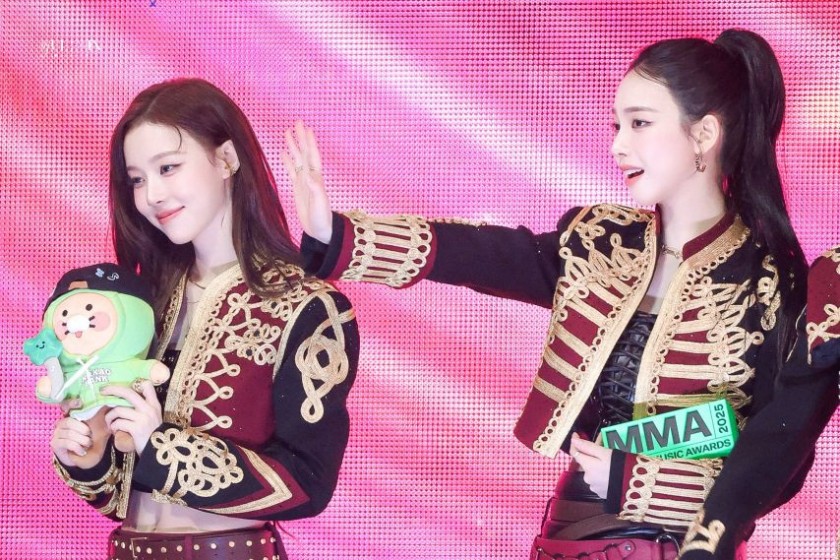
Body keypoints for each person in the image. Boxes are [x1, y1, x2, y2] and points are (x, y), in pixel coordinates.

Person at [284, 29, 835, 559]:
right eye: (616, 124)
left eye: (640, 123)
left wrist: (639, 481)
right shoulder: (603, 240)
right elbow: (487, 254)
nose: (618, 145)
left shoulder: (773, 281)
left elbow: (777, 456)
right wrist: (338, 233)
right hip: (564, 537)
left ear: (704, 134)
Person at [48, 78, 359, 560]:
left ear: (226, 158)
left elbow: (308, 482)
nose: (152, 194)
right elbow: (120, 495)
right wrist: (90, 457)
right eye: (137, 179)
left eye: (168, 167)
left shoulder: (308, 306)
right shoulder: (142, 301)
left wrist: (161, 445)